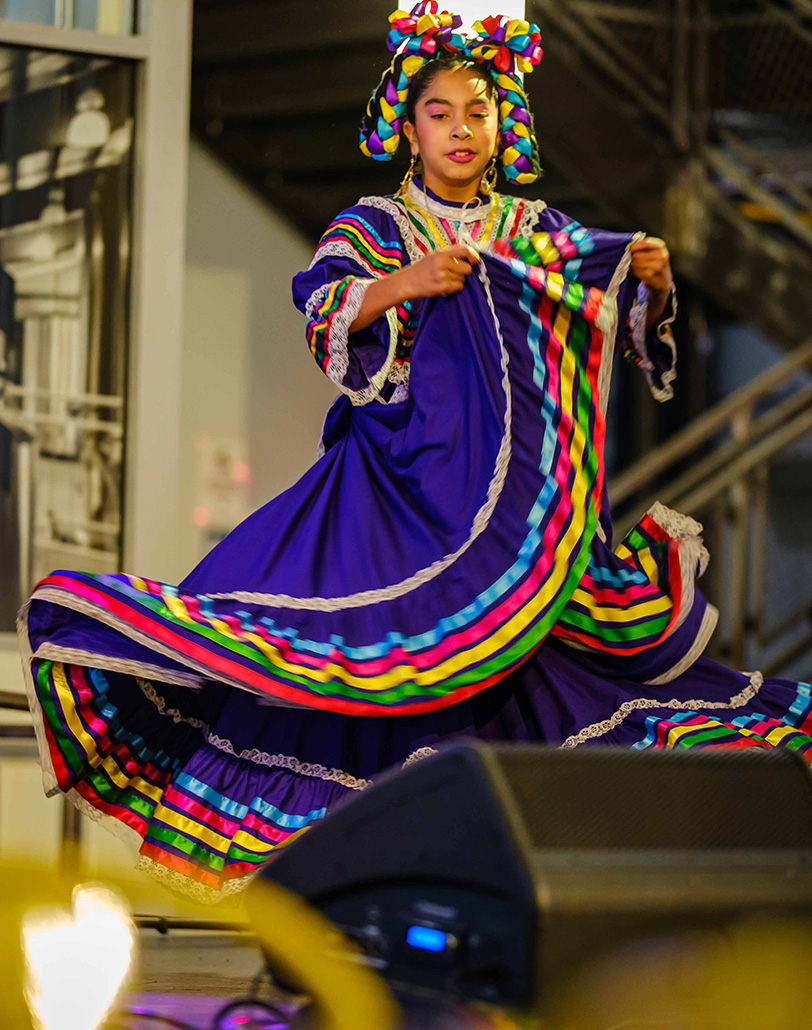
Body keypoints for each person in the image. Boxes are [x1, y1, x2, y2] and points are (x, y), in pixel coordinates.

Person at [18, 4, 811, 902]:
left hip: (515, 521)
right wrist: (407, 282)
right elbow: (326, 309)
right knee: (369, 666)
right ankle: (373, 898)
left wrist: (653, 294)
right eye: (441, 112)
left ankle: (486, 898)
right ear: (409, 122)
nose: (462, 129)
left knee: (528, 690)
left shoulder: (532, 228)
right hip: (394, 497)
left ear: (503, 121)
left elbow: (609, 318)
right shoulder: (376, 223)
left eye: (478, 110)